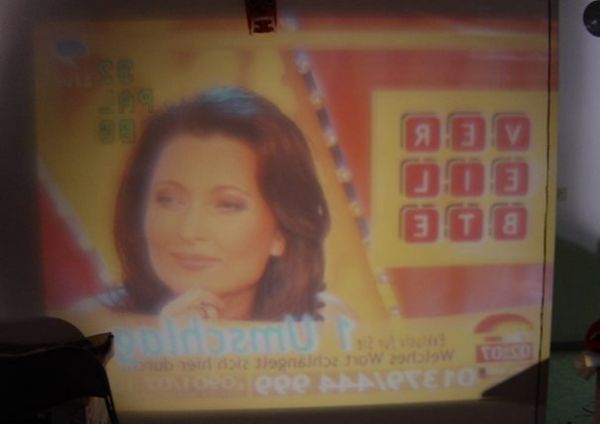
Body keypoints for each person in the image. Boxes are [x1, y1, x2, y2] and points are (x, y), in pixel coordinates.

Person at [111, 86, 336, 321]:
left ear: (280, 233)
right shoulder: (98, 327)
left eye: (228, 205)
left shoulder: (326, 327)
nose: (188, 231)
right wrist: (163, 341)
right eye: (169, 200)